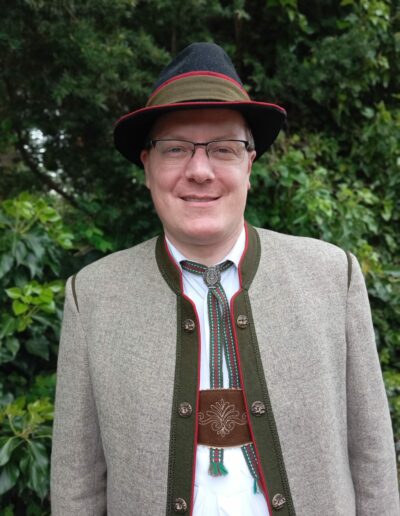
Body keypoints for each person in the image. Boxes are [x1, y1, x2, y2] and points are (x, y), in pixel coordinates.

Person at [50, 42, 399, 516]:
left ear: (249, 165)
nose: (200, 171)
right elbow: (77, 483)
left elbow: (374, 461)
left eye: (224, 149)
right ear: (147, 167)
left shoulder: (333, 277)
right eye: (175, 149)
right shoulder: (91, 296)